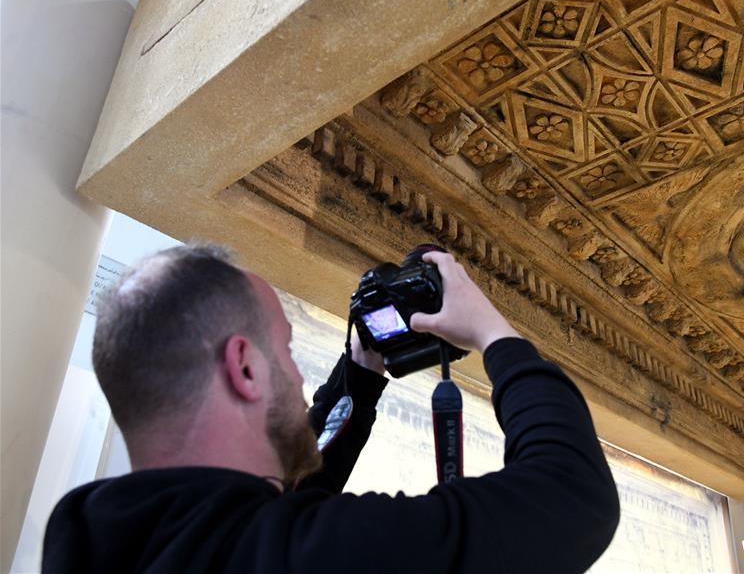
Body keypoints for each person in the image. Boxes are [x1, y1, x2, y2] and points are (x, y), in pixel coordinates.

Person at [42, 244, 620, 573]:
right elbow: (572, 497)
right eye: (286, 351)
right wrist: (496, 334)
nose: (296, 374)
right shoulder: (308, 555)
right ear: (244, 368)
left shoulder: (93, 540)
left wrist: (360, 375)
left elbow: (289, 498)